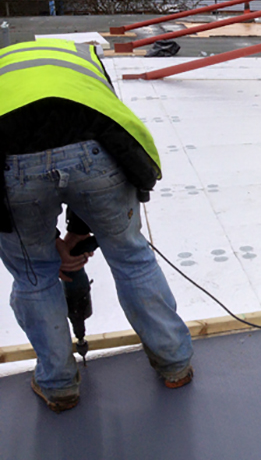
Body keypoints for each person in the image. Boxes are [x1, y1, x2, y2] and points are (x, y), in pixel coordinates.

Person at [0, 39, 194, 412]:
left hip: (12, 162)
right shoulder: (84, 58)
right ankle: (174, 364)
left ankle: (58, 385)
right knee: (132, 258)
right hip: (93, 150)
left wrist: (57, 240)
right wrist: (75, 232)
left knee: (33, 276)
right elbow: (107, 129)